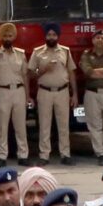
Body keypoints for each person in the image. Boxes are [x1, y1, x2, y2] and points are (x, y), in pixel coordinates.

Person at [26, 28, 76, 163]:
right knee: (44, 124)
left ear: (58, 36)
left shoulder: (65, 51)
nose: (51, 37)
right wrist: (43, 69)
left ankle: (65, 154)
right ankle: (44, 155)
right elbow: (30, 74)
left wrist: (75, 94)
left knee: (63, 125)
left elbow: (71, 72)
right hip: (44, 91)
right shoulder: (38, 52)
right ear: (45, 36)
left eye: (54, 35)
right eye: (49, 35)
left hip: (62, 91)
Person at [0, 23, 31, 164]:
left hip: (19, 91)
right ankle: (2, 156)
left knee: (20, 125)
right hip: (2, 91)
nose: (7, 39)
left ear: (13, 37)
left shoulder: (20, 54)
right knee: (2, 126)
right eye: (5, 36)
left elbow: (25, 76)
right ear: (1, 37)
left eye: (10, 36)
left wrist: (28, 95)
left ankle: (23, 155)